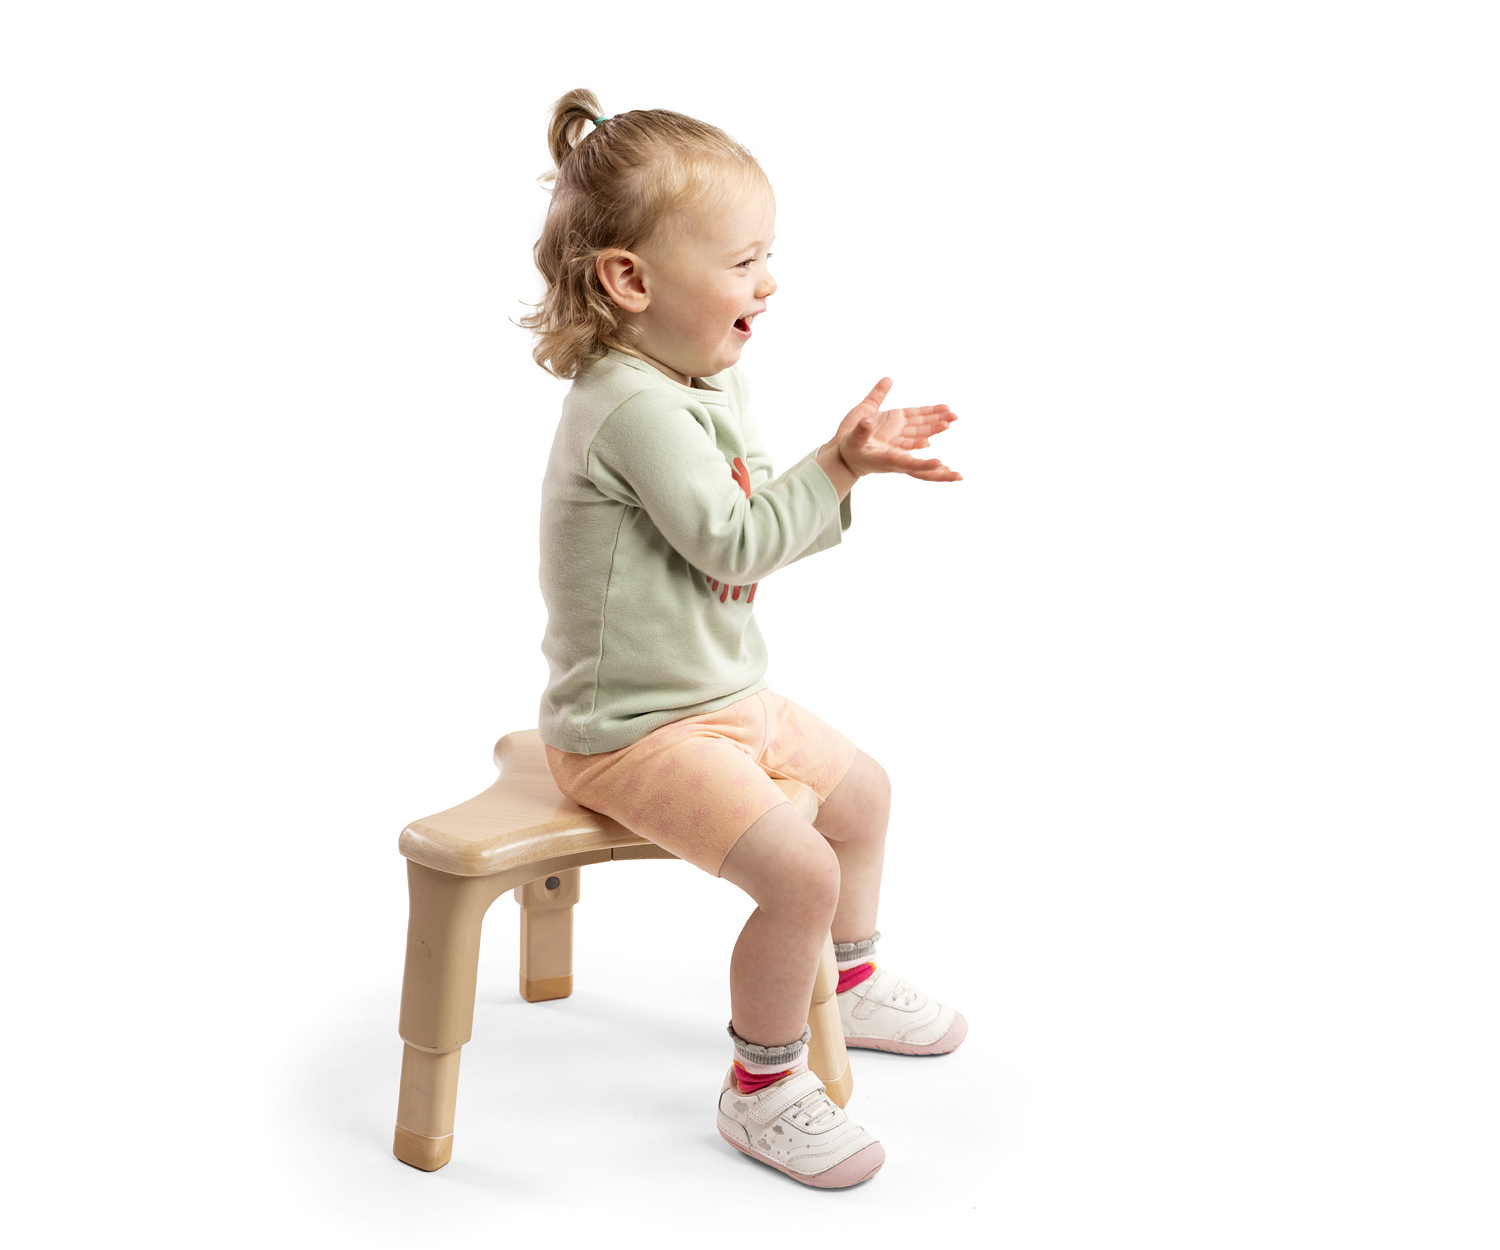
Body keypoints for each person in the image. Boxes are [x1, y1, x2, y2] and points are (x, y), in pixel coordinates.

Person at [521, 88, 967, 1189]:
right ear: (630, 280)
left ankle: (847, 985)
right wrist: (845, 464)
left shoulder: (703, 379)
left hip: (721, 698)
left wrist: (830, 463)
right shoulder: (631, 407)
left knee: (863, 793)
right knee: (799, 869)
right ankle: (761, 1085)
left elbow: (754, 510)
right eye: (742, 261)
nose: (768, 282)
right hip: (632, 731)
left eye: (769, 257)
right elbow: (738, 536)